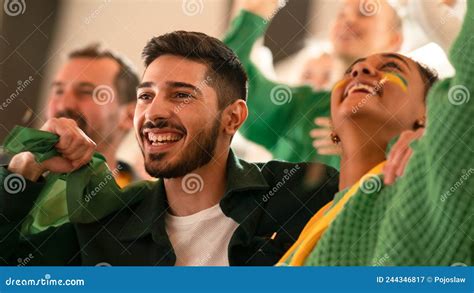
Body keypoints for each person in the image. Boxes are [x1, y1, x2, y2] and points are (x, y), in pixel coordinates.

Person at [0, 31, 339, 266]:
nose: (154, 112)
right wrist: (23, 170)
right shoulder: (104, 229)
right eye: (146, 95)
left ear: (232, 117)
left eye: (181, 95)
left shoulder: (301, 194)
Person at [278, 0, 473, 266]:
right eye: (351, 72)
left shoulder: (432, 178)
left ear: (427, 115)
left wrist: (439, 141)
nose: (360, 70)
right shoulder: (309, 223)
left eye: (392, 68)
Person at [224, 0, 403, 169]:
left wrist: (367, 149)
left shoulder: (408, 116)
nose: (348, 20)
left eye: (365, 12)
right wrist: (255, 13)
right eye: (341, 14)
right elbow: (225, 78)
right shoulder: (298, 105)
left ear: (394, 40)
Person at [6, 44, 141, 236]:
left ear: (130, 116)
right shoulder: (11, 175)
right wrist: (19, 175)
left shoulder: (148, 206)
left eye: (86, 91)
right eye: (58, 91)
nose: (64, 104)